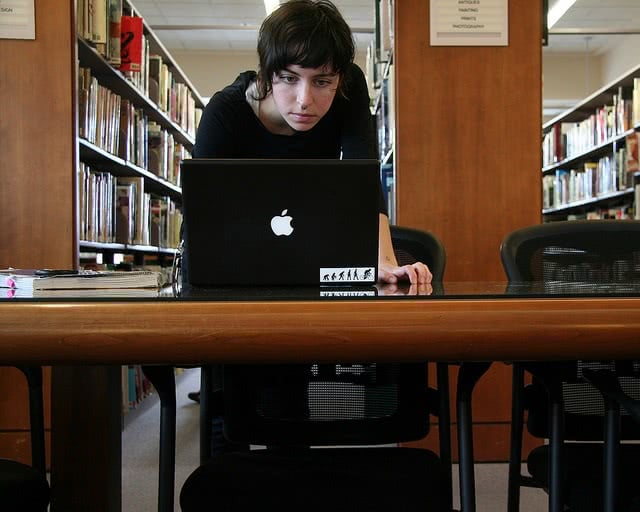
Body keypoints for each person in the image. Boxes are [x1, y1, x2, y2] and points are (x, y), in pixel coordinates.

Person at [183, 0, 430, 428]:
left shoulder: (350, 88)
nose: (305, 100)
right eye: (289, 79)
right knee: (230, 401)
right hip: (227, 267)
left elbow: (364, 185)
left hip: (300, 263)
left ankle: (291, 455)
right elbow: (205, 221)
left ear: (338, 77)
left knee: (289, 387)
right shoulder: (224, 115)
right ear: (266, 73)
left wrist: (385, 262)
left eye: (322, 82)